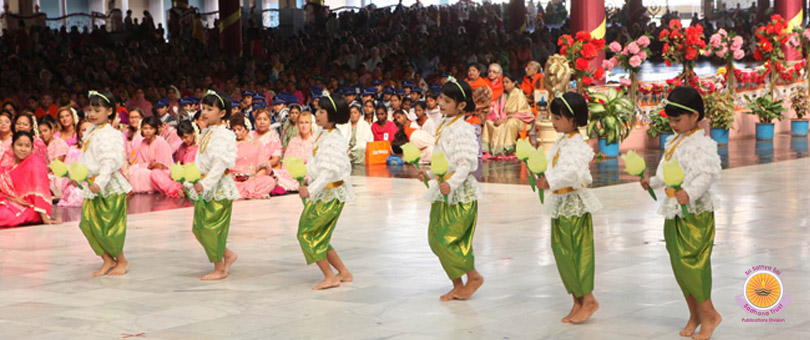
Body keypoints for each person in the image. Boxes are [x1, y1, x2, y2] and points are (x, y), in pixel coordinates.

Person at [640, 86, 722, 340]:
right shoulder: (674, 141)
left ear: (695, 116)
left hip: (694, 212)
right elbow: (667, 172)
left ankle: (710, 314)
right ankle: (694, 313)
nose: (673, 125)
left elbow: (706, 174)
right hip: (674, 210)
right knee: (679, 264)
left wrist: (691, 192)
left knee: (693, 263)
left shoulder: (702, 143)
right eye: (670, 120)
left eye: (677, 120)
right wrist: (652, 182)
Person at [537, 92, 603, 324]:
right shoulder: (561, 141)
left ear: (573, 119)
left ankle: (588, 298)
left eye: (557, 118)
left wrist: (552, 182)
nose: (553, 123)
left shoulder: (578, 145)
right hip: (560, 204)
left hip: (574, 205)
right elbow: (555, 169)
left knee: (577, 253)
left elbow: (575, 174)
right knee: (562, 252)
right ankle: (577, 300)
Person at [416, 77, 484, 301]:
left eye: (447, 100)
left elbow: (465, 164)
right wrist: (428, 173)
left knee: (448, 239)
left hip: (459, 193)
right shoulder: (443, 124)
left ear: (462, 105)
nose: (441, 103)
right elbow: (441, 159)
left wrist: (452, 184)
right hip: (443, 189)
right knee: (436, 239)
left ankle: (472, 277)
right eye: (441, 99)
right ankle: (458, 283)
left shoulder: (464, 129)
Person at [297, 93, 355, 290]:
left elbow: (328, 172)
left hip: (329, 195)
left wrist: (311, 189)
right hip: (324, 192)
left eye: (322, 111)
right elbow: (316, 163)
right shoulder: (323, 134)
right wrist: (307, 176)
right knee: (320, 235)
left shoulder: (334, 140)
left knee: (307, 233)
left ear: (333, 115)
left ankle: (330, 276)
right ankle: (343, 272)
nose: (317, 114)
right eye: (318, 110)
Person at [185, 89, 240, 281]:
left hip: (218, 186)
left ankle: (219, 267)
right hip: (204, 183)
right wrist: (191, 178)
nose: (204, 112)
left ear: (222, 113)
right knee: (199, 228)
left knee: (212, 227)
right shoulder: (207, 131)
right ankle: (227, 255)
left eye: (210, 109)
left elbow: (220, 164)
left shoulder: (224, 134)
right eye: (203, 108)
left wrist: (206, 183)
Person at [78, 90, 133, 276]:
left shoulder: (111, 134)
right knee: (87, 224)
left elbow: (110, 161)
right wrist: (78, 175)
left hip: (107, 185)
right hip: (92, 184)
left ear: (109, 111)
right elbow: (85, 157)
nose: (92, 114)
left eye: (97, 110)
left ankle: (122, 260)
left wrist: (100, 182)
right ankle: (108, 259)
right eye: (90, 109)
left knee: (109, 227)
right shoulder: (90, 131)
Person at [0, 131, 58, 227]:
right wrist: (12, 198)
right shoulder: (6, 163)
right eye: (19, 145)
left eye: (27, 146)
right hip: (7, 201)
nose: (23, 149)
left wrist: (45, 218)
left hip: (29, 208)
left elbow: (40, 191)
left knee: (4, 215)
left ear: (32, 148)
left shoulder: (35, 163)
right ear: (12, 146)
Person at [482, 73, 536, 157]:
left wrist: (506, 119)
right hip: (503, 119)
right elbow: (496, 109)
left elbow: (523, 112)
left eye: (507, 82)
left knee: (510, 123)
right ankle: (489, 149)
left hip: (518, 120)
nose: (504, 84)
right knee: (488, 123)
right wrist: (496, 118)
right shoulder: (502, 95)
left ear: (513, 83)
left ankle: (507, 149)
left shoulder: (519, 94)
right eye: (503, 82)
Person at [230, 113, 276, 199]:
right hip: (234, 180)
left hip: (252, 179)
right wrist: (230, 176)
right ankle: (250, 193)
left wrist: (254, 177)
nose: (236, 133)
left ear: (247, 128)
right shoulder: (230, 144)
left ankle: (244, 193)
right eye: (234, 130)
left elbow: (263, 166)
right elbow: (224, 166)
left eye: (239, 129)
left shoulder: (256, 143)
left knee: (269, 181)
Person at [128, 116, 174, 193]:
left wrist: (153, 165)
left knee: (150, 173)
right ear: (142, 129)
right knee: (133, 170)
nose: (148, 131)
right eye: (145, 128)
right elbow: (141, 163)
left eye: (151, 128)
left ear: (155, 130)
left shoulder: (161, 142)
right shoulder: (142, 143)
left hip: (162, 172)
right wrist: (149, 165)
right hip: (148, 169)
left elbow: (163, 165)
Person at [277, 111, 315, 192]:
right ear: (298, 125)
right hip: (293, 173)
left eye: (306, 123)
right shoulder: (293, 141)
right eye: (301, 123)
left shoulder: (315, 141)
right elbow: (286, 161)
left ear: (311, 124)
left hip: (309, 172)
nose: (304, 126)